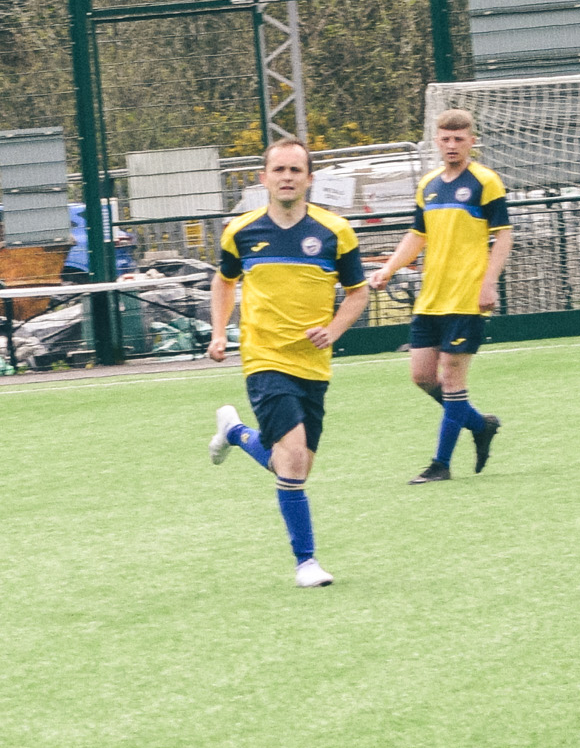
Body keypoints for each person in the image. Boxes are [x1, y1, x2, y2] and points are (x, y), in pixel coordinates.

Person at [206, 140, 370, 587]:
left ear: (309, 178)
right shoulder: (240, 231)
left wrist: (333, 331)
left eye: (296, 169)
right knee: (293, 458)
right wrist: (221, 332)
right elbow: (223, 284)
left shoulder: (336, 232)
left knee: (292, 465)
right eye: (278, 169)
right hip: (263, 358)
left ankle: (236, 433)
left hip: (314, 364)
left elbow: (358, 292)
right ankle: (306, 563)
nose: (287, 177)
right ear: (263, 178)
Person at [364, 106, 511, 480]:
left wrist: (489, 281)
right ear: (436, 142)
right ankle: (479, 424)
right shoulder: (428, 184)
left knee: (451, 378)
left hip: (465, 298)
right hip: (432, 298)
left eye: (459, 139)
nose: (451, 145)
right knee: (422, 376)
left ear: (471, 142)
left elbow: (504, 235)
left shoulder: (485, 181)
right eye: (445, 139)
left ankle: (440, 464)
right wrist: (388, 268)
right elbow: (417, 235)